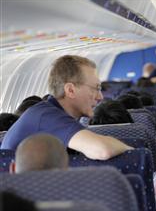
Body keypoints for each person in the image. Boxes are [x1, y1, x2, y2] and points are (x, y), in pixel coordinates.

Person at [1, 55, 133, 160]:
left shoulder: (51, 113)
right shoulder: (47, 116)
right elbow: (102, 150)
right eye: (96, 88)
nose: (100, 97)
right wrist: (132, 151)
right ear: (70, 90)